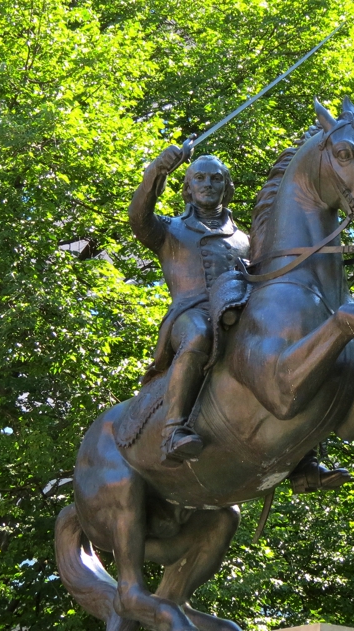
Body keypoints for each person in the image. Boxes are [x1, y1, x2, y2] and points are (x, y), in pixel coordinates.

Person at [129, 143, 250, 464]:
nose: (208, 184)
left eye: (216, 179)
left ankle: (303, 458)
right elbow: (138, 217)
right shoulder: (169, 229)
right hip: (188, 317)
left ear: (227, 188)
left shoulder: (245, 240)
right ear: (188, 189)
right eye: (200, 178)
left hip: (236, 316)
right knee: (198, 334)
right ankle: (173, 430)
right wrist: (157, 170)